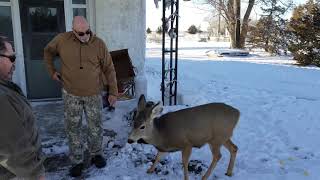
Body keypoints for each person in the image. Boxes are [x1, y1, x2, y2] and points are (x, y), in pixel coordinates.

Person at [44, 16, 118, 177]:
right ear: (73, 31)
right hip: (71, 94)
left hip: (93, 94)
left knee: (95, 126)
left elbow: (109, 68)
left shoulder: (99, 44)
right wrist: (52, 71)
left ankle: (96, 154)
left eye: (88, 32)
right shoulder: (62, 40)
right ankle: (77, 161)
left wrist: (113, 92)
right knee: (73, 129)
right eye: (81, 33)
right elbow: (48, 52)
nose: (85, 36)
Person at [0, 36, 45, 180]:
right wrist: (36, 175)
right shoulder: (2, 97)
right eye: (12, 58)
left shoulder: (5, 88)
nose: (14, 64)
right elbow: (14, 151)